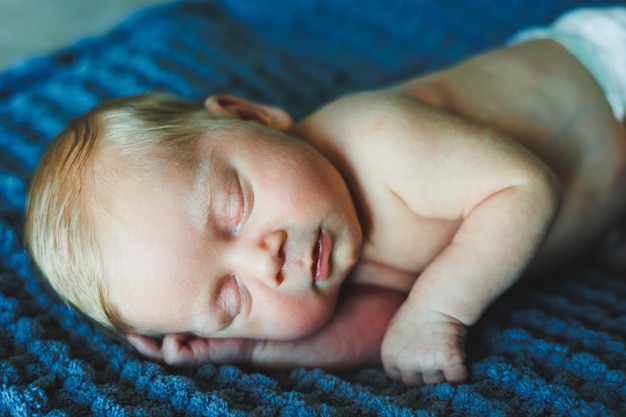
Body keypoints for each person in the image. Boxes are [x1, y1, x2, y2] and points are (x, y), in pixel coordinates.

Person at [25, 7, 626, 386]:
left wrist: (437, 312)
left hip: (611, 76)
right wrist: (252, 349)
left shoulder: (376, 138)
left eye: (234, 209)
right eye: (231, 298)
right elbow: (391, 330)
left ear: (252, 115)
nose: (267, 261)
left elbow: (523, 188)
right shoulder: (326, 264)